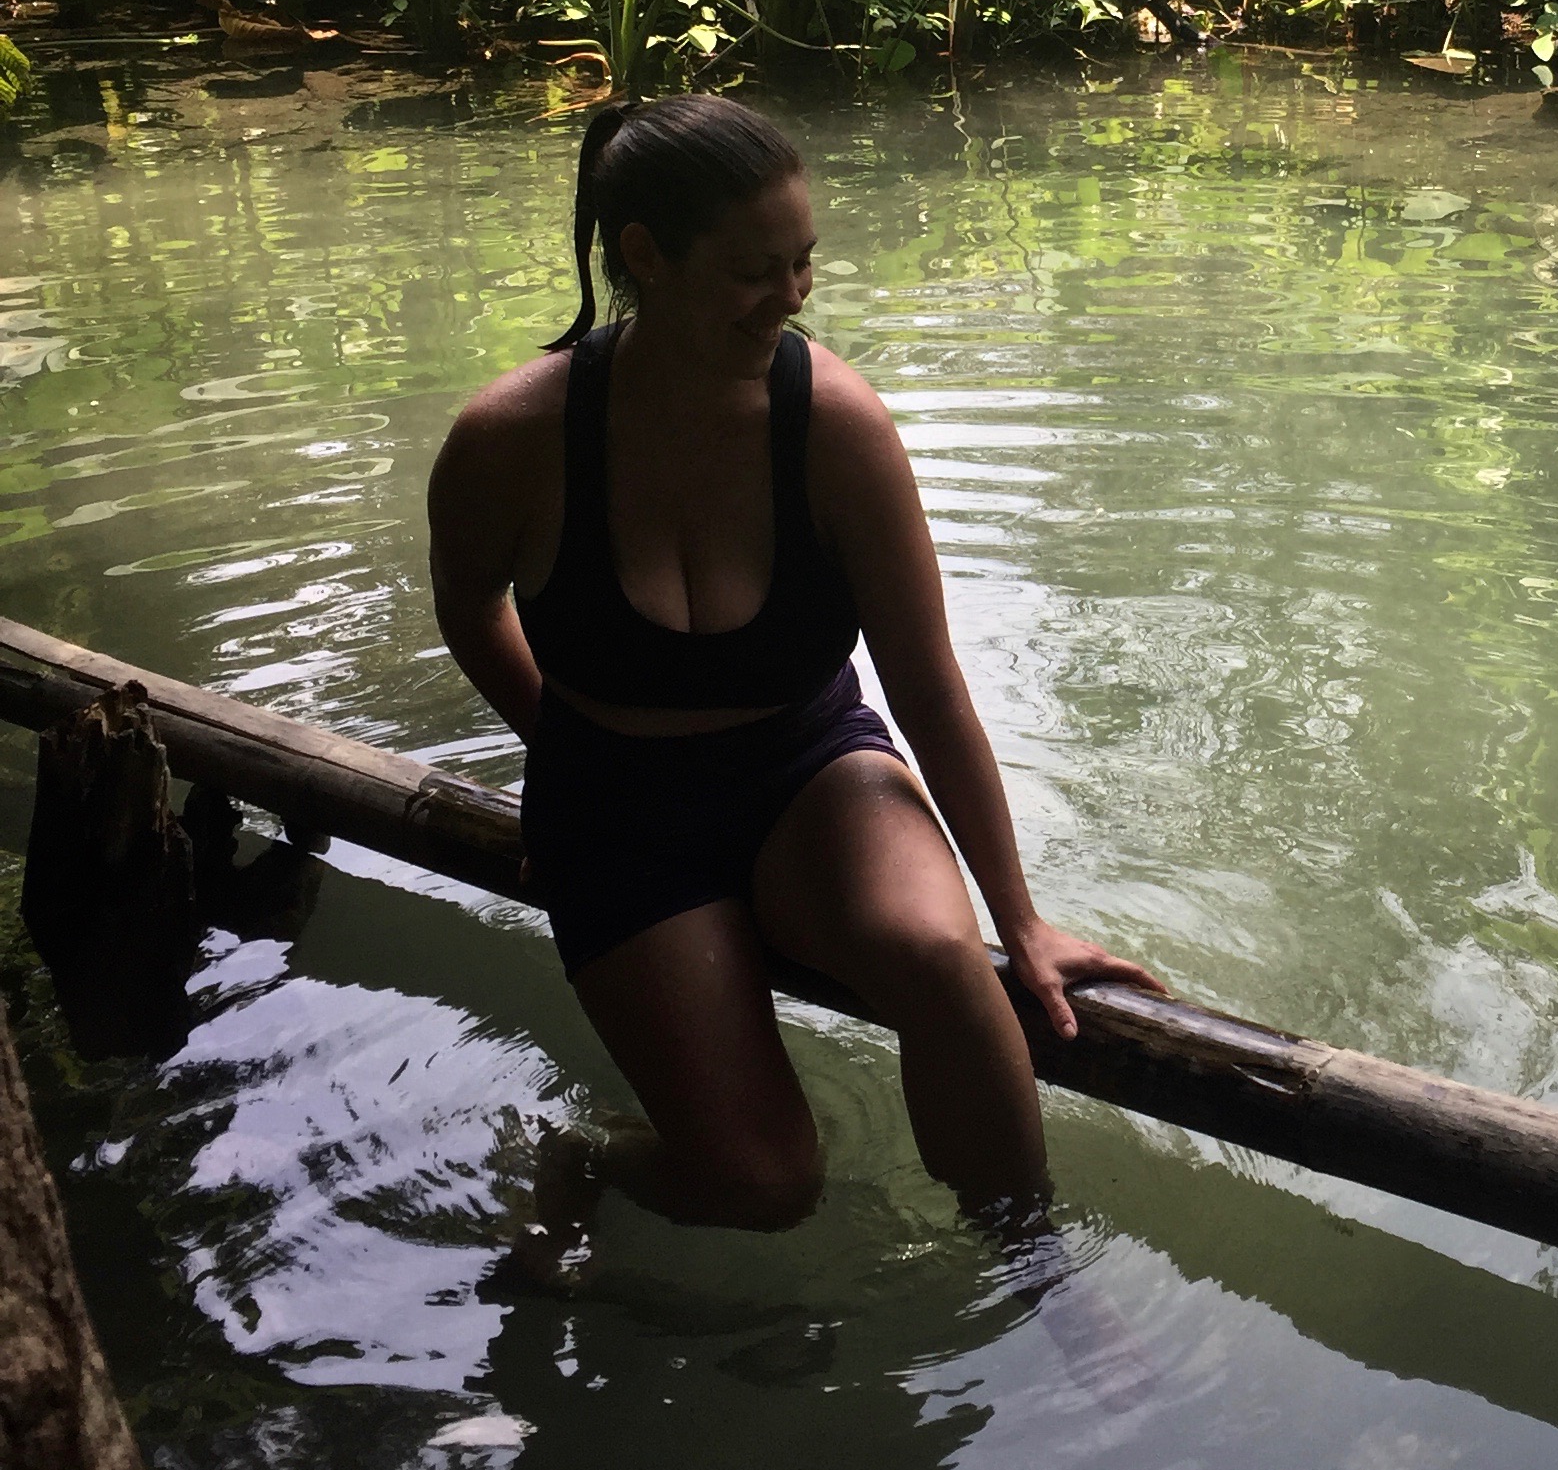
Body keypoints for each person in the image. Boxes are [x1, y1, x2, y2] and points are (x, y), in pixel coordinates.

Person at [426, 94, 1162, 1238]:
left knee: (941, 961)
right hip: (616, 807)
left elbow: (926, 684)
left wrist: (1020, 921)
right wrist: (562, 753)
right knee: (764, 1185)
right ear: (646, 257)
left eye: (804, 260)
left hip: (809, 769)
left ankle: (1031, 1267)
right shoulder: (512, 438)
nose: (794, 296)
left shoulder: (833, 425)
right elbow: (470, 610)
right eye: (753, 270)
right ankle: (589, 1155)